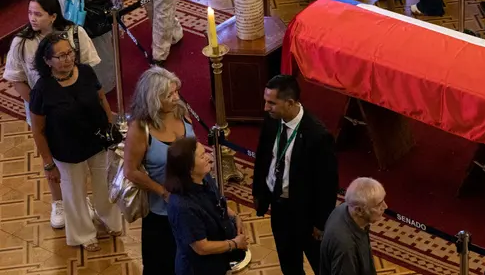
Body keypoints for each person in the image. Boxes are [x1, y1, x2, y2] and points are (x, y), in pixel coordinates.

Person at [2, 0, 101, 230]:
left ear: (53, 16)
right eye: (30, 13)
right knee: (52, 155)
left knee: (84, 154)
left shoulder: (75, 34)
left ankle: (81, 197)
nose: (32, 18)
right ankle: (58, 201)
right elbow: (16, 79)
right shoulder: (22, 42)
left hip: (78, 108)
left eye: (38, 14)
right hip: (44, 112)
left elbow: (89, 70)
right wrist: (40, 105)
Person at [29, 32, 121, 251]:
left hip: (97, 143)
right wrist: (49, 163)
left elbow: (101, 100)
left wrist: (109, 125)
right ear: (47, 61)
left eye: (70, 53)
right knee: (74, 193)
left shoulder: (87, 72)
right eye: (60, 56)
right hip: (67, 150)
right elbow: (38, 131)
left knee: (104, 185)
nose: (68, 59)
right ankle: (83, 234)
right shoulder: (42, 89)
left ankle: (110, 220)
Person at [253, 75, 339, 275]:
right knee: (289, 265)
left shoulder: (317, 136)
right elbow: (263, 157)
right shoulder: (272, 120)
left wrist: (321, 222)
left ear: (290, 103)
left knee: (321, 266)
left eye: (271, 103)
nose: (266, 108)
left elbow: (327, 183)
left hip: (306, 215)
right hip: (279, 208)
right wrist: (259, 192)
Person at [124, 67, 195, 275]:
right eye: (169, 95)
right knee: (162, 266)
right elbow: (131, 171)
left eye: (176, 91)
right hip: (162, 212)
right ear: (153, 99)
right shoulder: (140, 128)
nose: (176, 98)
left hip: (191, 202)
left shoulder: (181, 111)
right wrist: (162, 191)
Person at [165, 137, 248, 275]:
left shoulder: (205, 177)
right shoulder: (183, 206)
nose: (209, 157)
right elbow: (201, 247)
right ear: (189, 168)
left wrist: (234, 217)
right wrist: (234, 244)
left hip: (218, 261)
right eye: (202, 156)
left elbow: (217, 203)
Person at [319, 177, 387, 275]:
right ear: (359, 210)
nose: (385, 206)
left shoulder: (345, 208)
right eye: (378, 205)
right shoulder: (345, 246)